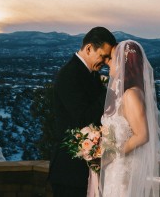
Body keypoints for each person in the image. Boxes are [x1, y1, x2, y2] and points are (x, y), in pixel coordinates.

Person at [98, 40, 160, 196]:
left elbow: (142, 135)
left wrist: (112, 154)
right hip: (116, 166)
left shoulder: (131, 95)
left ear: (123, 63)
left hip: (124, 169)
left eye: (111, 59)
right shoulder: (122, 94)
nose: (107, 63)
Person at [49, 26, 117, 197]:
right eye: (103, 56)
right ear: (88, 48)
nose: (105, 62)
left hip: (84, 169)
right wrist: (110, 90)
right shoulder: (69, 75)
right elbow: (82, 118)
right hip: (69, 171)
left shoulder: (90, 74)